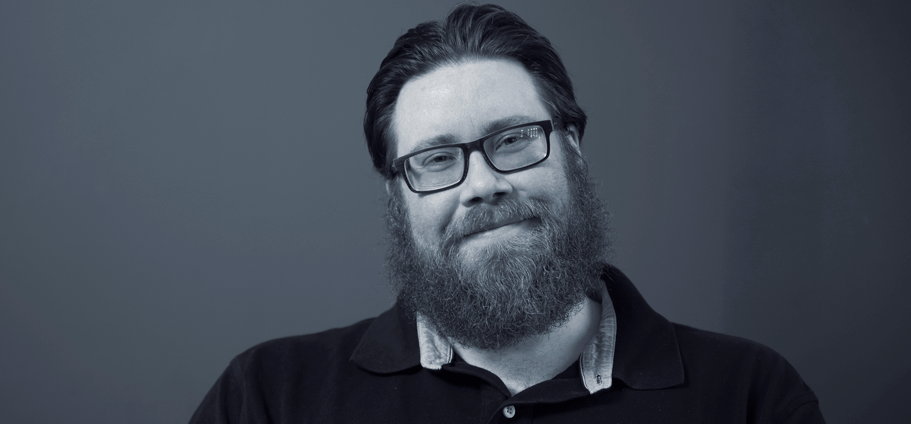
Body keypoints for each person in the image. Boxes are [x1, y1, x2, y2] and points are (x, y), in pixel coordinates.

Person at [190, 4, 824, 423]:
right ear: (397, 197)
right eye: (437, 158)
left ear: (572, 151)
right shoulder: (268, 398)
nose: (483, 185)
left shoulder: (750, 396)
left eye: (514, 139)